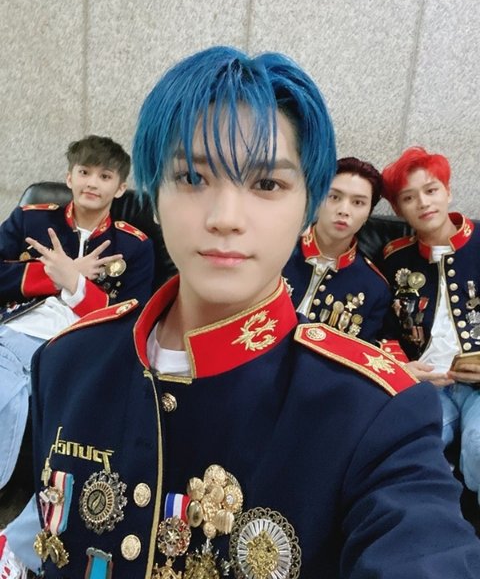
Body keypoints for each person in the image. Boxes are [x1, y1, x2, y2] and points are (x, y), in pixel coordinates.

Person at [24, 48, 480, 579]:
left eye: (267, 184)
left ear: (307, 206)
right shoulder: (66, 360)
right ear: (154, 196)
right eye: (192, 177)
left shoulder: (375, 411)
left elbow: (424, 547)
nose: (226, 217)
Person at [0, 135, 155, 573]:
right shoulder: (32, 218)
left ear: (120, 188)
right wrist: (50, 276)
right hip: (16, 337)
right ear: (69, 177)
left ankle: (17, 544)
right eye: (84, 172)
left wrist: (78, 286)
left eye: (105, 176)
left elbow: (135, 317)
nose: (92, 183)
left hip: (82, 350)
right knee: (6, 393)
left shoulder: (135, 245)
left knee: (83, 438)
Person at [381, 145, 480, 504]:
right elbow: (384, 326)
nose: (423, 203)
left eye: (431, 190)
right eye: (409, 198)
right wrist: (403, 369)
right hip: (426, 385)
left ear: (448, 192)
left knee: (478, 445)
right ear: (398, 210)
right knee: (412, 445)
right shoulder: (395, 259)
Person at [283, 157, 390, 344]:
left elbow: (360, 353)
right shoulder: (279, 250)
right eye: (334, 197)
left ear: (368, 214)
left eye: (358, 203)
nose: (344, 210)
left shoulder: (374, 288)